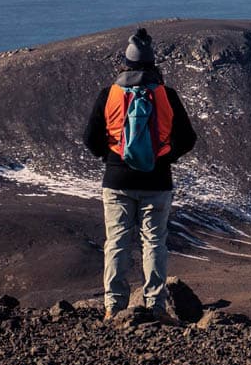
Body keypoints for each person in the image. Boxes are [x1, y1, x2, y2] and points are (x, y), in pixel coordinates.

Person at [83, 27, 197, 322]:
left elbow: (90, 138)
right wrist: (166, 157)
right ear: (152, 63)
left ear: (126, 63)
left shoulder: (109, 94)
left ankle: (113, 306)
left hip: (117, 180)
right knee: (154, 243)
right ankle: (156, 306)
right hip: (157, 181)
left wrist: (111, 157)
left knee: (117, 242)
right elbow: (188, 138)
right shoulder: (166, 95)